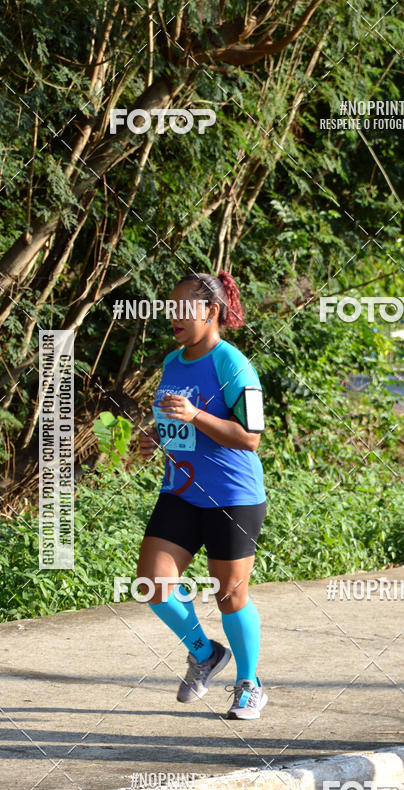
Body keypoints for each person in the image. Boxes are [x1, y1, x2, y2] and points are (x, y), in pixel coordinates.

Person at [137, 271, 268, 719]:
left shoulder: (233, 364)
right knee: (154, 583)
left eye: (182, 309)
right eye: (169, 309)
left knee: (229, 595)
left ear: (210, 311)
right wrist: (156, 438)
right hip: (181, 491)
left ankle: (249, 684)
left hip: (232, 495)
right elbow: (175, 422)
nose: (173, 317)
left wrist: (195, 416)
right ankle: (205, 652)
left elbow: (250, 437)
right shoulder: (173, 362)